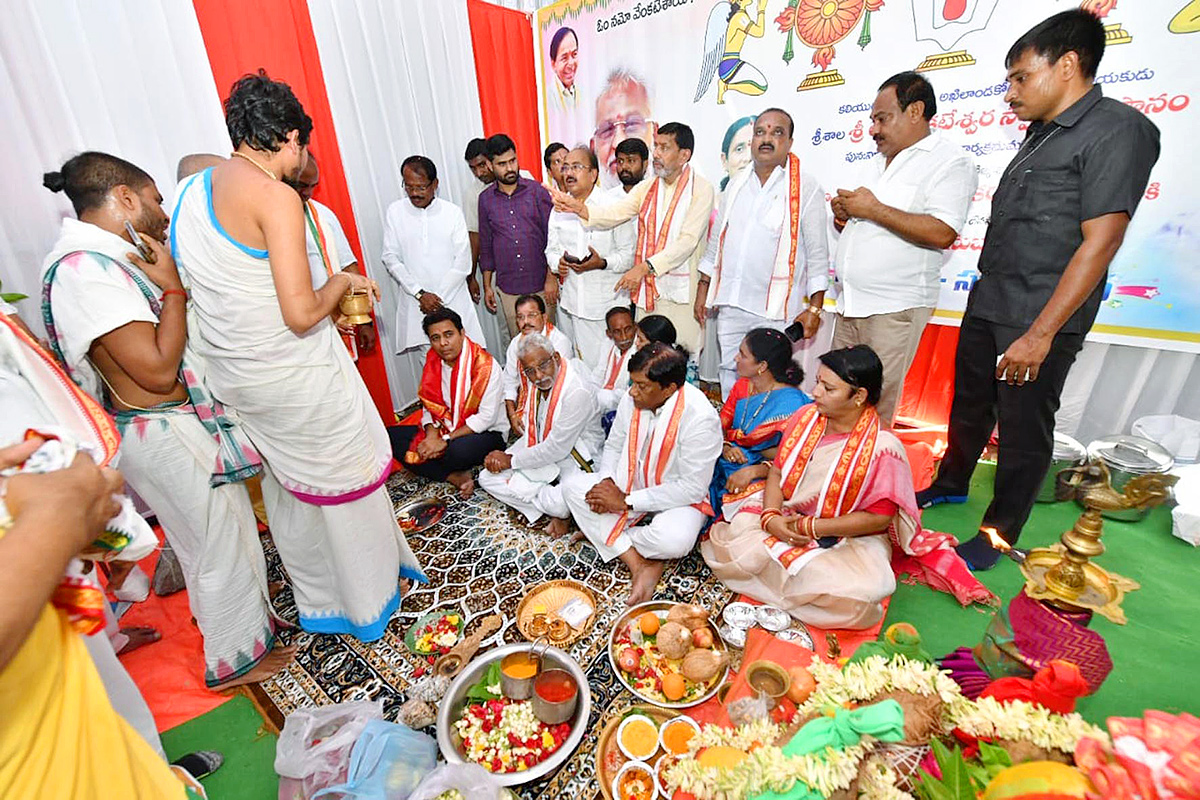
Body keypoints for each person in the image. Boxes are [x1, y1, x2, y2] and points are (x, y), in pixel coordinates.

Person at [171, 71, 426, 641]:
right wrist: (340, 282)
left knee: (290, 491)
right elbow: (301, 313)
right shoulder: (276, 198)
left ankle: (319, 598)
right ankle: (368, 601)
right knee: (347, 482)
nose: (301, 157)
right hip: (292, 376)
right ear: (287, 137)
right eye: (301, 145)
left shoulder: (192, 189)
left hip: (239, 378)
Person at [916, 9, 1160, 570]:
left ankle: (999, 533)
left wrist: (1041, 333)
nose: (1010, 92)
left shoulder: (1118, 130)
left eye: (1020, 77)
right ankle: (952, 480)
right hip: (992, 298)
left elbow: (1100, 242)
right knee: (970, 404)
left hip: (1039, 315)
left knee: (1024, 427)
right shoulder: (1039, 134)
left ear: (1068, 65)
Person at [40, 151, 292, 688]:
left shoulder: (104, 261)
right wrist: (173, 287)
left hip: (168, 425)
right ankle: (233, 661)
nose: (161, 211)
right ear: (124, 198)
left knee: (222, 533)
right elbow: (155, 370)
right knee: (215, 542)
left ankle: (247, 634)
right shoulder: (85, 271)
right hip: (159, 425)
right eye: (154, 199)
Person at [0, 317, 204, 799]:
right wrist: (56, 520)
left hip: (41, 605)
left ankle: (155, 771)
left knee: (101, 706)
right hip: (29, 758)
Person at [702, 346, 991, 629]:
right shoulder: (805, 418)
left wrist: (811, 528)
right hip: (788, 512)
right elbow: (777, 471)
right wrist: (772, 518)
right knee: (733, 537)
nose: (815, 393)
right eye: (817, 383)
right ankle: (795, 587)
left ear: (859, 396)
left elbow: (878, 518)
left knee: (864, 593)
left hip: (847, 536)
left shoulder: (882, 448)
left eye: (828, 389)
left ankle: (786, 582)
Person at [830, 72, 977, 425]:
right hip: (851, 304)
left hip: (893, 309)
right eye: (873, 120)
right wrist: (845, 217)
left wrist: (872, 210)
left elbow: (942, 231)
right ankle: (830, 473)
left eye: (883, 118)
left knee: (870, 411)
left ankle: (863, 478)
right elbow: (871, 222)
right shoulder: (877, 160)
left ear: (916, 111)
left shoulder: (949, 161)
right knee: (835, 400)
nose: (874, 129)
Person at [563, 343, 723, 605]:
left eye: (642, 386)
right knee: (571, 487)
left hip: (675, 497)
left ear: (669, 388)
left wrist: (625, 502)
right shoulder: (633, 397)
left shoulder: (700, 418)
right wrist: (607, 484)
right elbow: (614, 444)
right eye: (632, 383)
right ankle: (639, 564)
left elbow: (692, 488)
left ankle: (606, 537)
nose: (632, 392)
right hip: (629, 480)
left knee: (676, 542)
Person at [697, 108, 829, 397]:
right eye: (760, 132)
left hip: (774, 311)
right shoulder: (736, 183)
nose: (766, 139)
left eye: (776, 132)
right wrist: (703, 289)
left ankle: (762, 438)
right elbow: (717, 240)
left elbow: (819, 256)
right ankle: (735, 434)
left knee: (769, 380)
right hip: (731, 302)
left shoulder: (805, 188)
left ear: (790, 142)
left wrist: (815, 309)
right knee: (730, 373)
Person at [556, 122, 715, 351]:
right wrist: (578, 208)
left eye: (664, 148)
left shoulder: (701, 189)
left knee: (680, 353)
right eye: (656, 146)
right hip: (648, 290)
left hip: (681, 292)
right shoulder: (648, 187)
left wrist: (644, 268)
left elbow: (687, 242)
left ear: (684, 155)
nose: (657, 154)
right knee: (648, 354)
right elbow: (615, 213)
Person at [480, 332, 603, 536]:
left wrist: (511, 460)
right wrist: (511, 459)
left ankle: (558, 509)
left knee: (565, 497)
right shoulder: (537, 382)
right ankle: (552, 508)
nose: (538, 376)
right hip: (541, 441)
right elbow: (536, 430)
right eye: (530, 370)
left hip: (576, 456)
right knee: (487, 477)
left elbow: (556, 449)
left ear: (555, 357)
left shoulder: (576, 391)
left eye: (543, 365)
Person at [389, 308, 506, 498]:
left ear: (462, 333)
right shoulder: (433, 363)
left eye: (448, 335)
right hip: (446, 429)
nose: (443, 343)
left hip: (487, 433)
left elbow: (485, 419)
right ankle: (454, 476)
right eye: (435, 338)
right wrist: (431, 436)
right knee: (389, 437)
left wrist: (443, 441)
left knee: (457, 452)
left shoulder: (486, 366)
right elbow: (430, 407)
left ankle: (442, 465)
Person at [382, 154, 483, 354]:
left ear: (435, 184)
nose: (414, 193)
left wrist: (437, 299)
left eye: (421, 187)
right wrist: (420, 294)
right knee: (430, 367)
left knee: (466, 362)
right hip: (416, 304)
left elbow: (463, 262)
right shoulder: (395, 212)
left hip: (453, 302)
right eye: (409, 186)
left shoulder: (452, 213)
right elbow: (390, 257)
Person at [704, 328, 810, 521]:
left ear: (762, 365)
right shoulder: (743, 385)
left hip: (770, 472)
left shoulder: (792, 404)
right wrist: (726, 446)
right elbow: (721, 426)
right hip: (729, 460)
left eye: (743, 355)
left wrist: (754, 470)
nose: (736, 358)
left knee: (747, 515)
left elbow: (795, 459)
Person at [546, 146, 635, 368]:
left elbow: (628, 256)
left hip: (610, 307)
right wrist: (559, 263)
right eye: (565, 167)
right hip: (574, 305)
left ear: (593, 174)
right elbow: (551, 250)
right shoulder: (559, 208)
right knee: (585, 368)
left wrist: (601, 263)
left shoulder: (613, 207)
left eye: (576, 167)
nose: (568, 173)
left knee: (616, 371)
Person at [287, 153, 378, 356]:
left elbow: (348, 266)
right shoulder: (273, 220)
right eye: (302, 185)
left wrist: (363, 320)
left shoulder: (323, 214)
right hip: (301, 329)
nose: (308, 192)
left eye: (313, 185)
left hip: (340, 322)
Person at [478, 133, 557, 338]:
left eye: (512, 160)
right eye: (502, 164)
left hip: (541, 284)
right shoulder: (485, 200)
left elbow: (553, 237)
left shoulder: (537, 192)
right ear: (489, 165)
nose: (510, 168)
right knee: (519, 346)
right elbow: (486, 245)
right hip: (508, 288)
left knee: (548, 343)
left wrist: (551, 277)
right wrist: (487, 286)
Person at [503, 294, 574, 435]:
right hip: (526, 407)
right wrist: (512, 415)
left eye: (531, 315)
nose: (526, 322)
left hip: (556, 404)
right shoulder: (515, 344)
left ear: (544, 317)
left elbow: (560, 384)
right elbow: (509, 382)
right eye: (520, 317)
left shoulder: (559, 341)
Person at [592, 68, 656, 190]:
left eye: (632, 125)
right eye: (607, 130)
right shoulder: (593, 206)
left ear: (655, 133)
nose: (618, 142)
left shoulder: (677, 195)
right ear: (593, 147)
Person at [592, 305, 638, 418]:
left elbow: (631, 392)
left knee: (603, 398)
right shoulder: (607, 344)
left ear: (635, 327)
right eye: (617, 332)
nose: (624, 337)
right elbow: (598, 374)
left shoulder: (640, 348)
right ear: (609, 333)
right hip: (602, 397)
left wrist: (602, 396)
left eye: (628, 329)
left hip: (623, 403)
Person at [718, 116, 755, 191]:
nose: (748, 158)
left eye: (756, 148)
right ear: (724, 160)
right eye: (739, 149)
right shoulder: (711, 201)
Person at [548, 27, 579, 113]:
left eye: (574, 54)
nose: (571, 63)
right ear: (553, 64)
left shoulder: (583, 92)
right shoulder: (548, 98)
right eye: (564, 58)